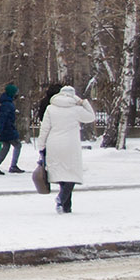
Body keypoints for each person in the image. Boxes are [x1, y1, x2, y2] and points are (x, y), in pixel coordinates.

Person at [36, 84, 96, 213]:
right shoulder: (76, 109)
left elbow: (45, 129)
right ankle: (61, 199)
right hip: (70, 145)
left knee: (61, 175)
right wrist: (83, 102)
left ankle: (66, 206)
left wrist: (41, 146)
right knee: (72, 174)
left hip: (54, 144)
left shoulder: (50, 109)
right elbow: (91, 117)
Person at [0, 83, 24, 174]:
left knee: (5, 147)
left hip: (6, 129)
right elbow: (2, 119)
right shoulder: (7, 105)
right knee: (17, 145)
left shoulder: (5, 103)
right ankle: (13, 166)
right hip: (9, 129)